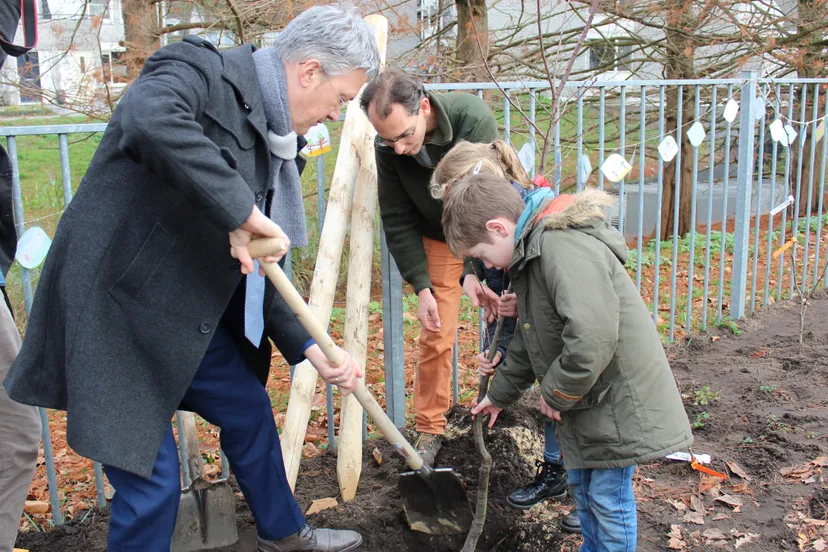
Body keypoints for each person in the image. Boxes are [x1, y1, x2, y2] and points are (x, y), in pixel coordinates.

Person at [4, 5, 380, 552]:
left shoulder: (279, 146)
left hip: (181, 317)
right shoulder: (200, 71)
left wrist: (306, 345)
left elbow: (257, 264)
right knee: (151, 484)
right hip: (115, 314)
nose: (336, 113)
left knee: (248, 411)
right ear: (310, 71)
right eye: (341, 99)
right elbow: (146, 115)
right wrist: (239, 212)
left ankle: (285, 535)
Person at [442, 174, 694, 552]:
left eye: (480, 254)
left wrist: (557, 392)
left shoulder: (560, 248)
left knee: (608, 500)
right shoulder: (532, 254)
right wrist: (499, 394)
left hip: (614, 399)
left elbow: (592, 335)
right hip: (589, 397)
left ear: (498, 227)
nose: (484, 264)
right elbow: (533, 339)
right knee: (585, 493)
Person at [430, 140, 580, 534]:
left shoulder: (538, 233)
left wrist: (515, 319)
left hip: (566, 344)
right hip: (537, 337)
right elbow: (501, 300)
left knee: (570, 406)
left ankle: (583, 489)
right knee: (555, 397)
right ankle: (560, 474)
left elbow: (547, 314)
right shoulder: (500, 230)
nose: (482, 258)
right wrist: (492, 351)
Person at [359, 69, 499, 464]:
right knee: (437, 332)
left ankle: (501, 408)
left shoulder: (470, 118)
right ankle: (429, 427)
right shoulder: (388, 147)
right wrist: (422, 287)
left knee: (509, 319)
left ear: (423, 107)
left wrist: (476, 267)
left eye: (405, 135)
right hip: (437, 239)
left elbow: (486, 196)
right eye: (388, 139)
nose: (398, 148)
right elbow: (397, 215)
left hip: (487, 232)